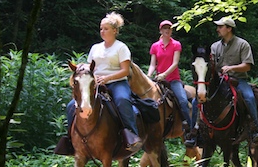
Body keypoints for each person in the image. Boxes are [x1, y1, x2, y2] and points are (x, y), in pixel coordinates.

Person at [66, 12, 142, 153]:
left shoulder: (121, 47)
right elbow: (89, 68)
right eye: (101, 28)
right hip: (96, 84)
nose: (102, 31)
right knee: (71, 105)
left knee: (122, 100)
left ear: (115, 31)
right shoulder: (95, 48)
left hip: (118, 83)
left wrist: (107, 78)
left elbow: (125, 71)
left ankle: (132, 136)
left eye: (106, 28)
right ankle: (69, 139)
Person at [210, 16, 258, 144]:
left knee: (249, 97)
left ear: (229, 29)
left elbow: (247, 65)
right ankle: (196, 130)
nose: (218, 29)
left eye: (220, 27)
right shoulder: (214, 46)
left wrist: (231, 68)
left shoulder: (242, 44)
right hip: (219, 81)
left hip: (238, 80)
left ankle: (255, 129)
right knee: (198, 99)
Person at [147, 19, 197, 147]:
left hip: (173, 80)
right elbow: (153, 64)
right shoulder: (155, 46)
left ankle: (189, 126)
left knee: (182, 100)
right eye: (164, 28)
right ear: (160, 30)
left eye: (169, 28)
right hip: (159, 80)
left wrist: (164, 74)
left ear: (171, 30)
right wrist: (148, 75)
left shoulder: (176, 44)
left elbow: (175, 63)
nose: (167, 30)